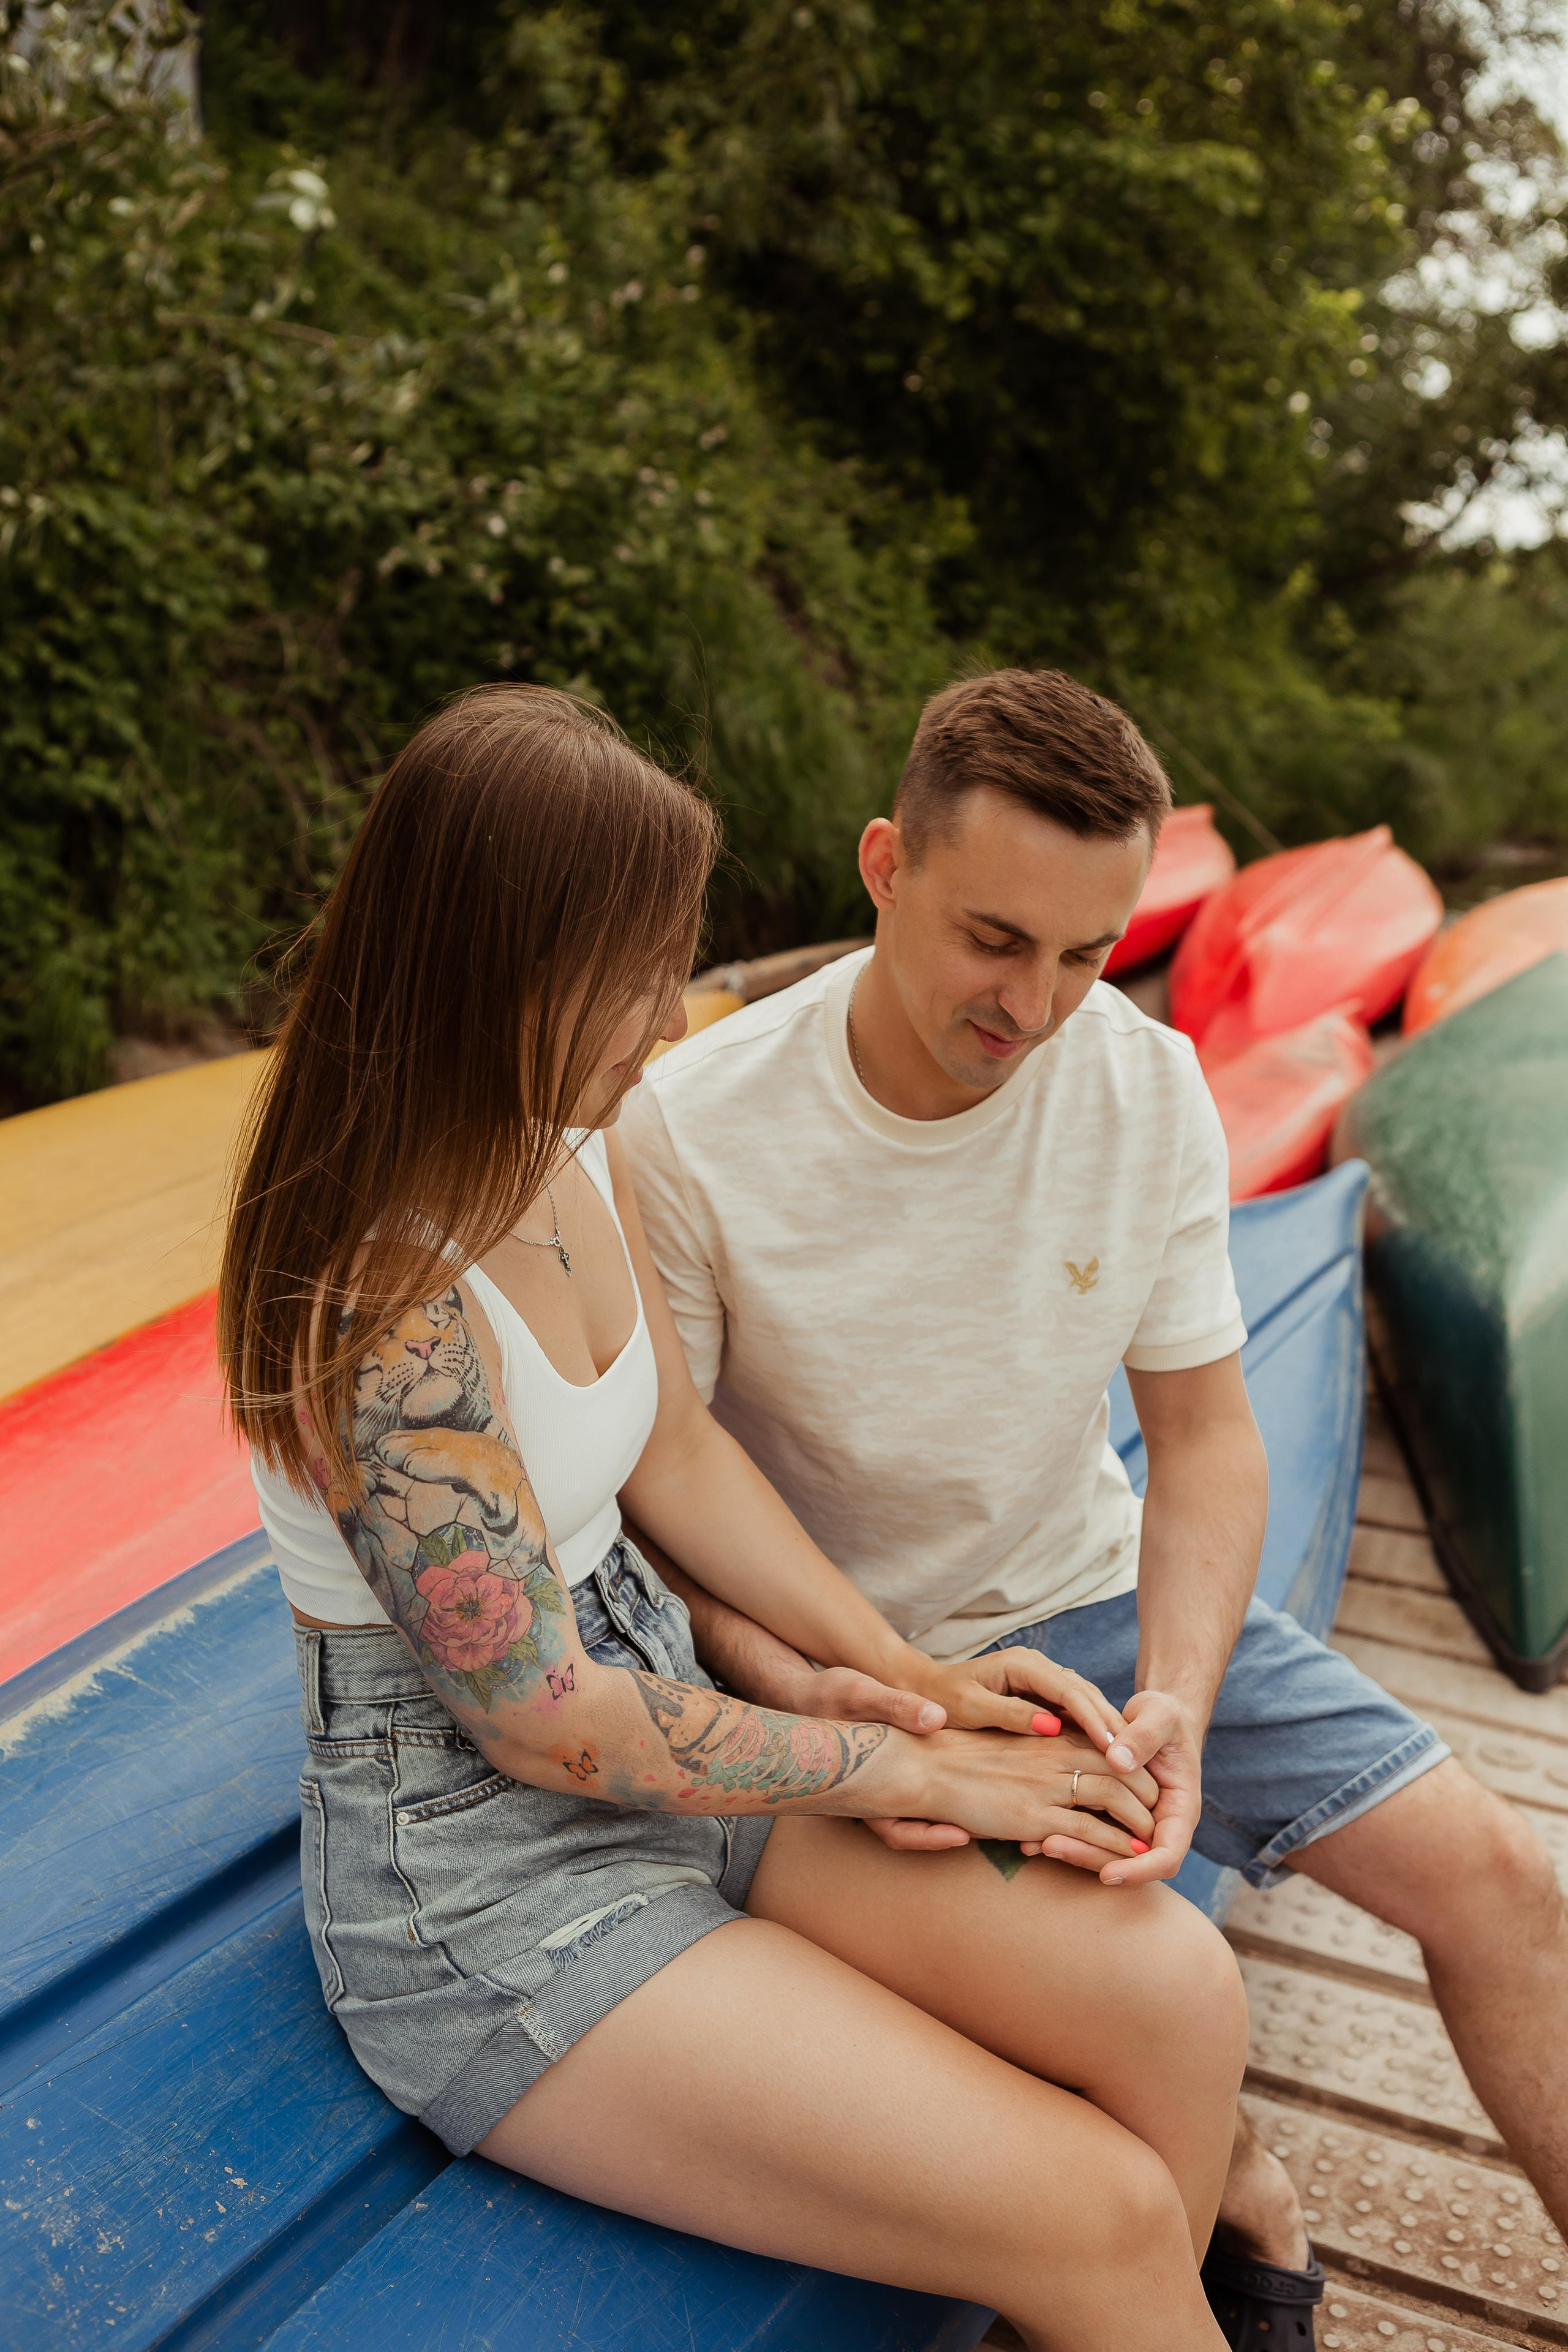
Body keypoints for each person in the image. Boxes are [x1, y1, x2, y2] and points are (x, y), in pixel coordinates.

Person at [219, 683, 1252, 2352]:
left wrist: (897, 1670)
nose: (669, 1013)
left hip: (670, 1716)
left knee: (1179, 1995)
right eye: (637, 970)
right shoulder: (381, 1305)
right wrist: (912, 1762)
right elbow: (549, 1731)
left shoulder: (575, 1133)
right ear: (499, 963)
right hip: (484, 1873)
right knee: (1106, 2214)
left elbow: (678, 1450)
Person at [622, 666, 1568, 2347]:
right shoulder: (698, 1128)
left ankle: (1241, 2186)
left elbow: (1203, 1439)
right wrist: (858, 1706)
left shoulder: (1140, 1082)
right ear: (884, 867)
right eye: (997, 939)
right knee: (1145, 1991)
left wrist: (1180, 1700)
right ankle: (1242, 2192)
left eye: (1087, 953)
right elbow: (675, 1515)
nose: (1038, 1005)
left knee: (1506, 1882)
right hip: (864, 1670)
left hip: (1094, 1605)